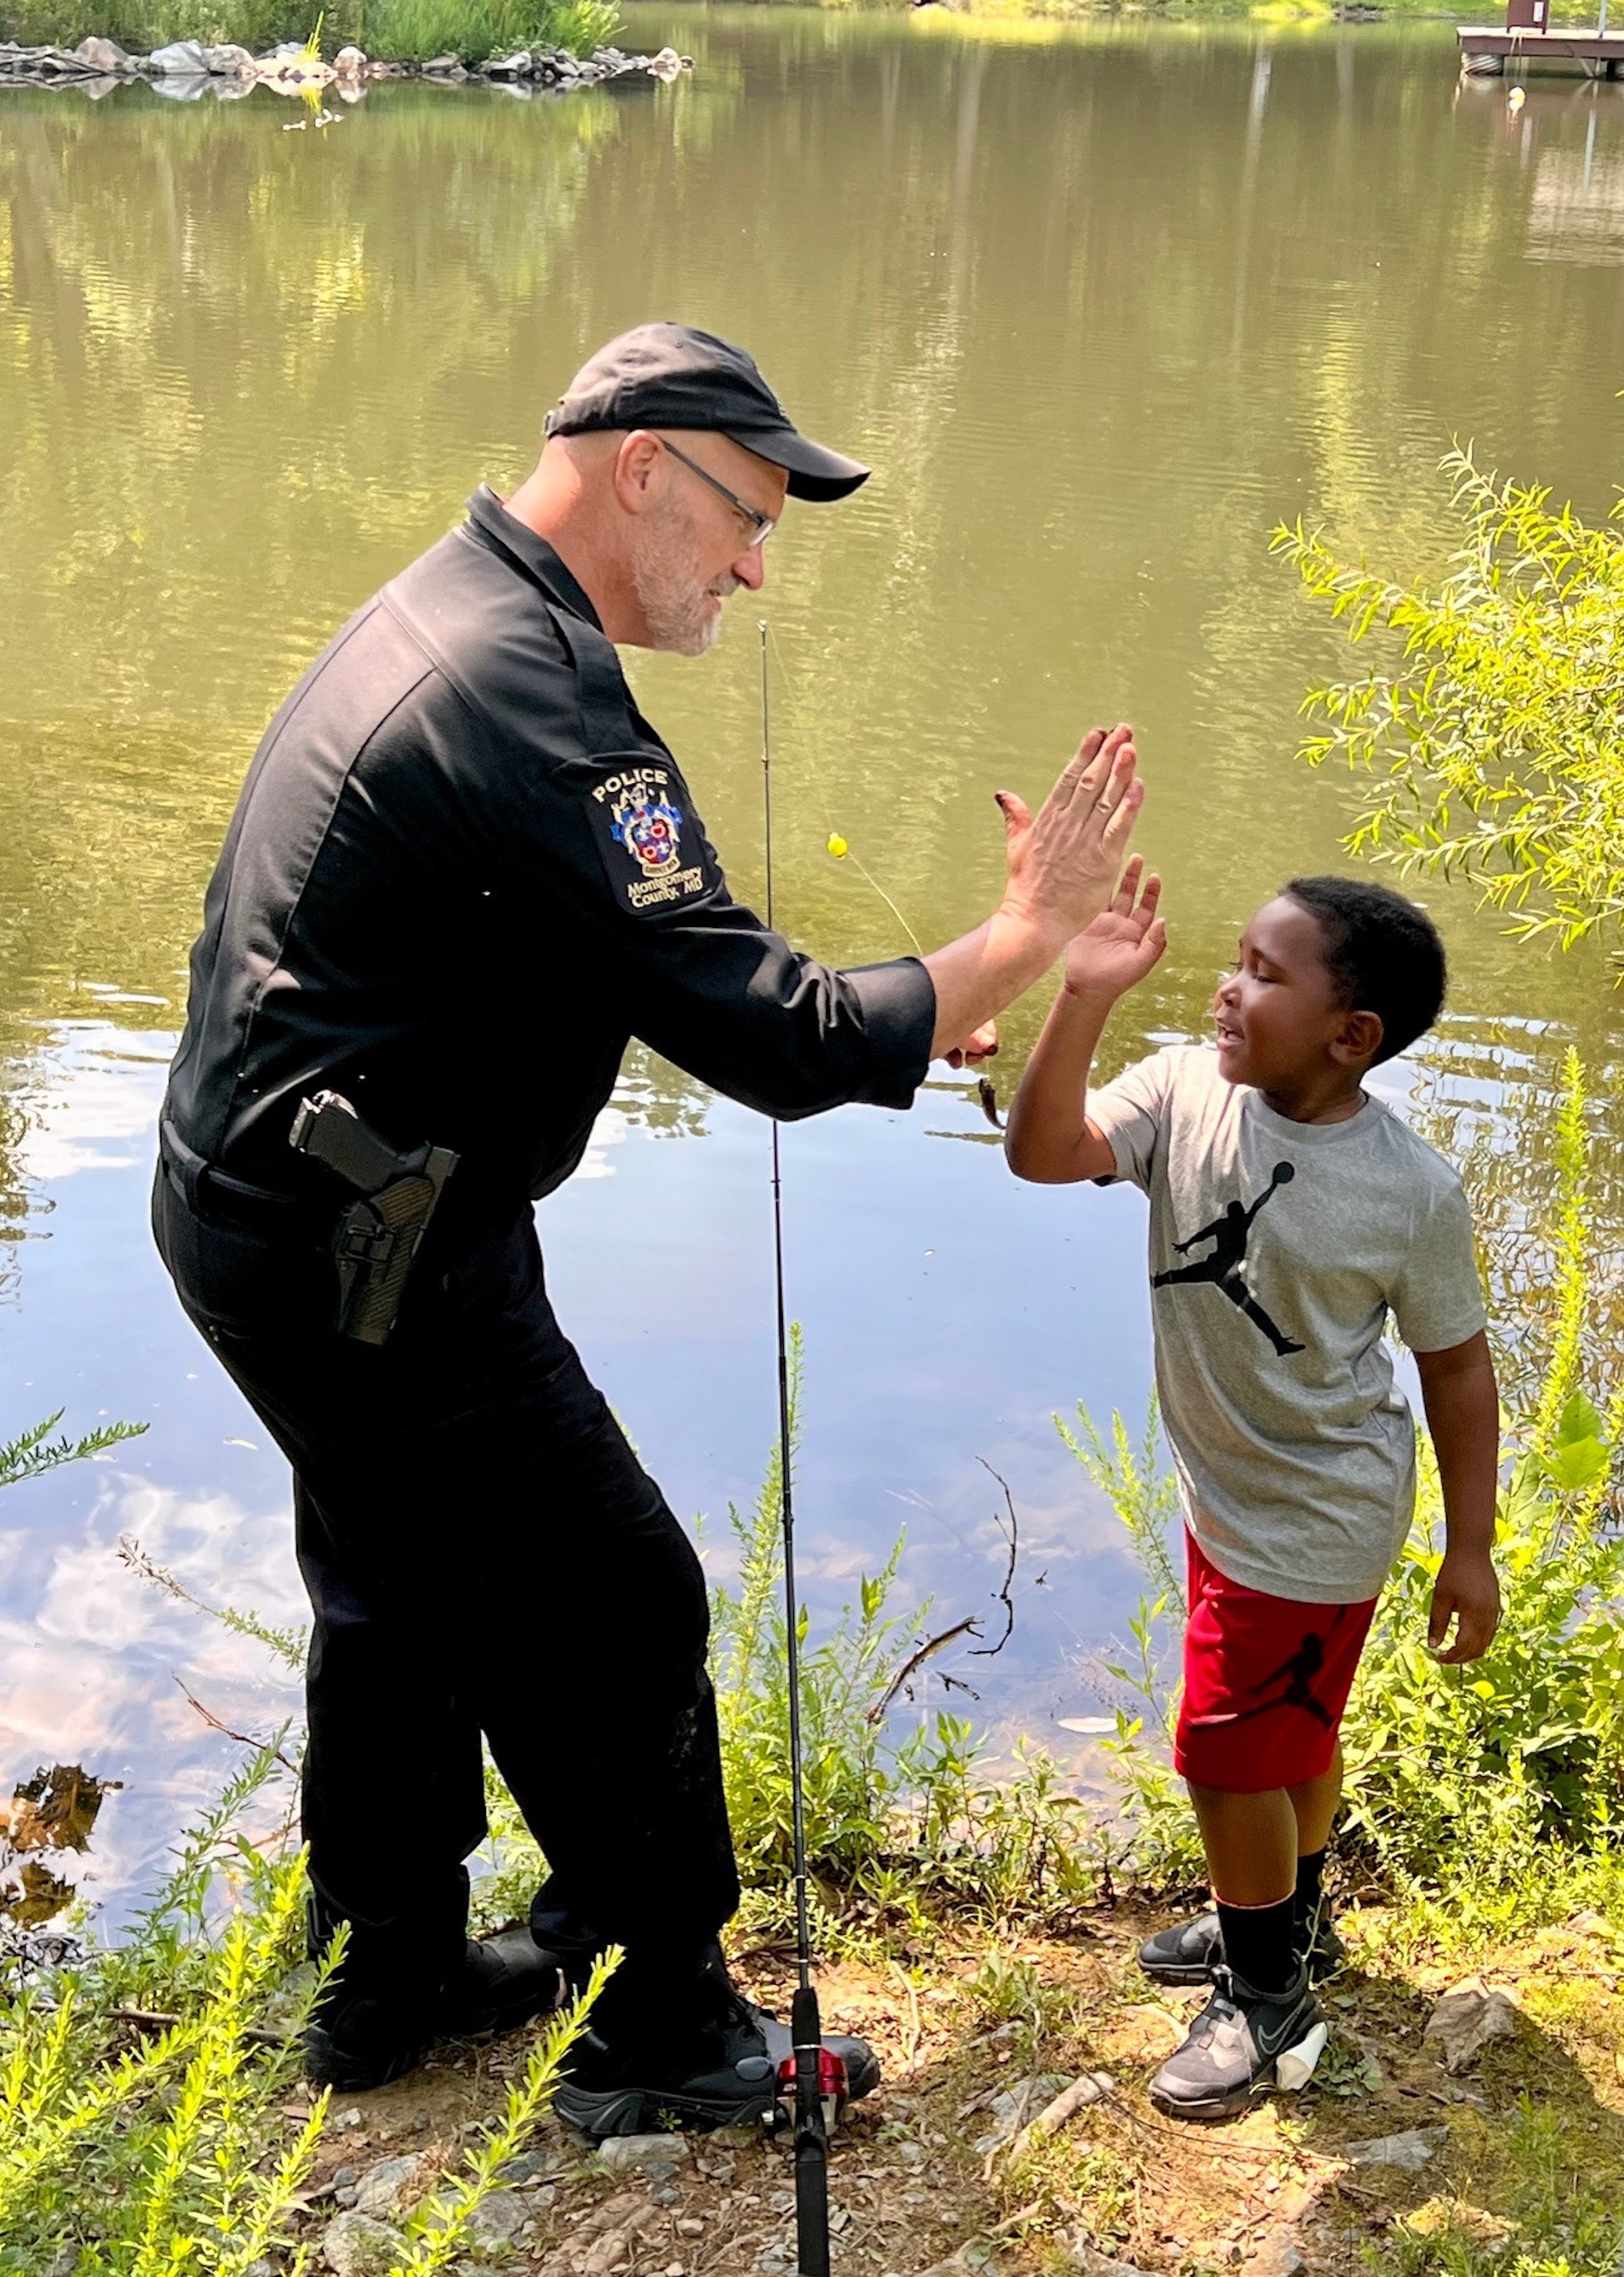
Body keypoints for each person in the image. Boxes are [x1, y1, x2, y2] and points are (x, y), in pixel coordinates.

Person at [152, 320, 1148, 2132]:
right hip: (374, 1249)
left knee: (399, 1583)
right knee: (612, 1597)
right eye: (750, 517)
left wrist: (919, 1002)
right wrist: (1023, 933)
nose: (757, 569)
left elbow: (613, 955)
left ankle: (389, 1976)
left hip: (278, 1206)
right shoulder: (530, 697)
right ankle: (663, 2027)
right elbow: (777, 1039)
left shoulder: (456, 611)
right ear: (641, 470)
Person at [1005, 864, 1502, 2121]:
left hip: (1319, 1516)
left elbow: (1454, 1368)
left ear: (1350, 1036)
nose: (1226, 989)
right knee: (1292, 1735)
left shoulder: (1410, 1191)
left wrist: (1470, 1549)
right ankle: (1288, 1920)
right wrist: (1080, 998)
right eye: (1234, 961)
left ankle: (1267, 1997)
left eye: (1264, 975)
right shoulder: (1184, 1089)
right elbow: (1041, 1154)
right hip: (1225, 1493)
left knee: (1226, 1757)